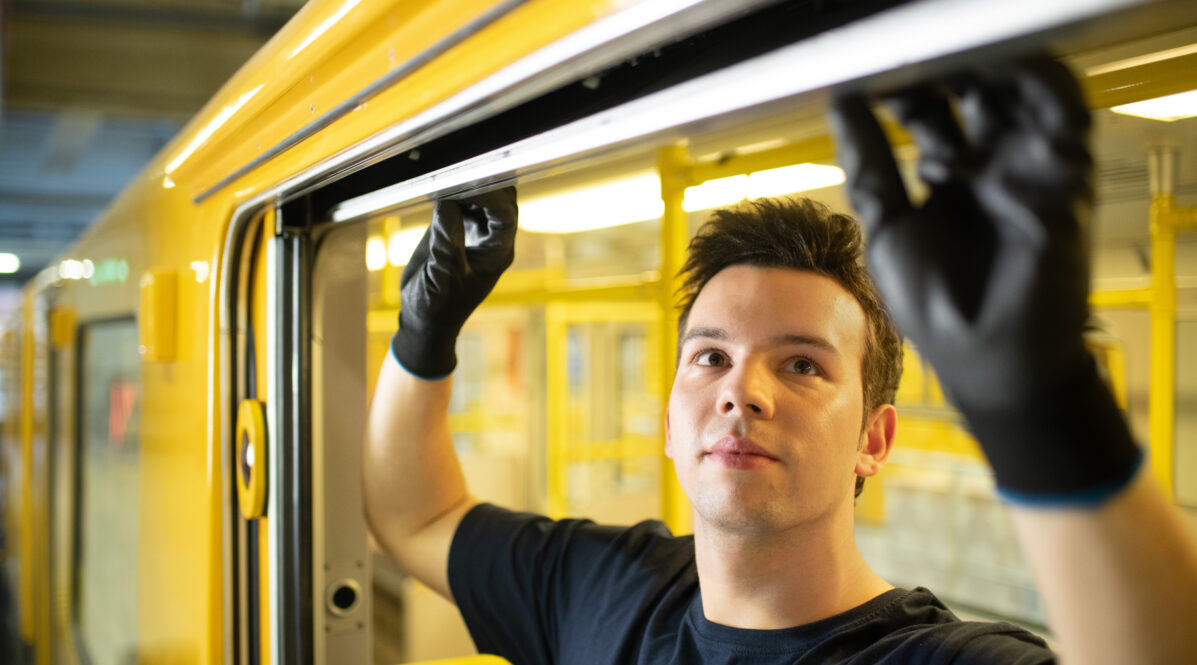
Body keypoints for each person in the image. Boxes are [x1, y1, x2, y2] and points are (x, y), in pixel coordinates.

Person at [364, 56, 1197, 664]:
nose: (741, 391)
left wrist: (1042, 406)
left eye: (801, 365)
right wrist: (424, 331)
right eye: (711, 356)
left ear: (876, 438)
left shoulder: (933, 660)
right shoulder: (602, 590)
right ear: (667, 418)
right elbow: (415, 516)